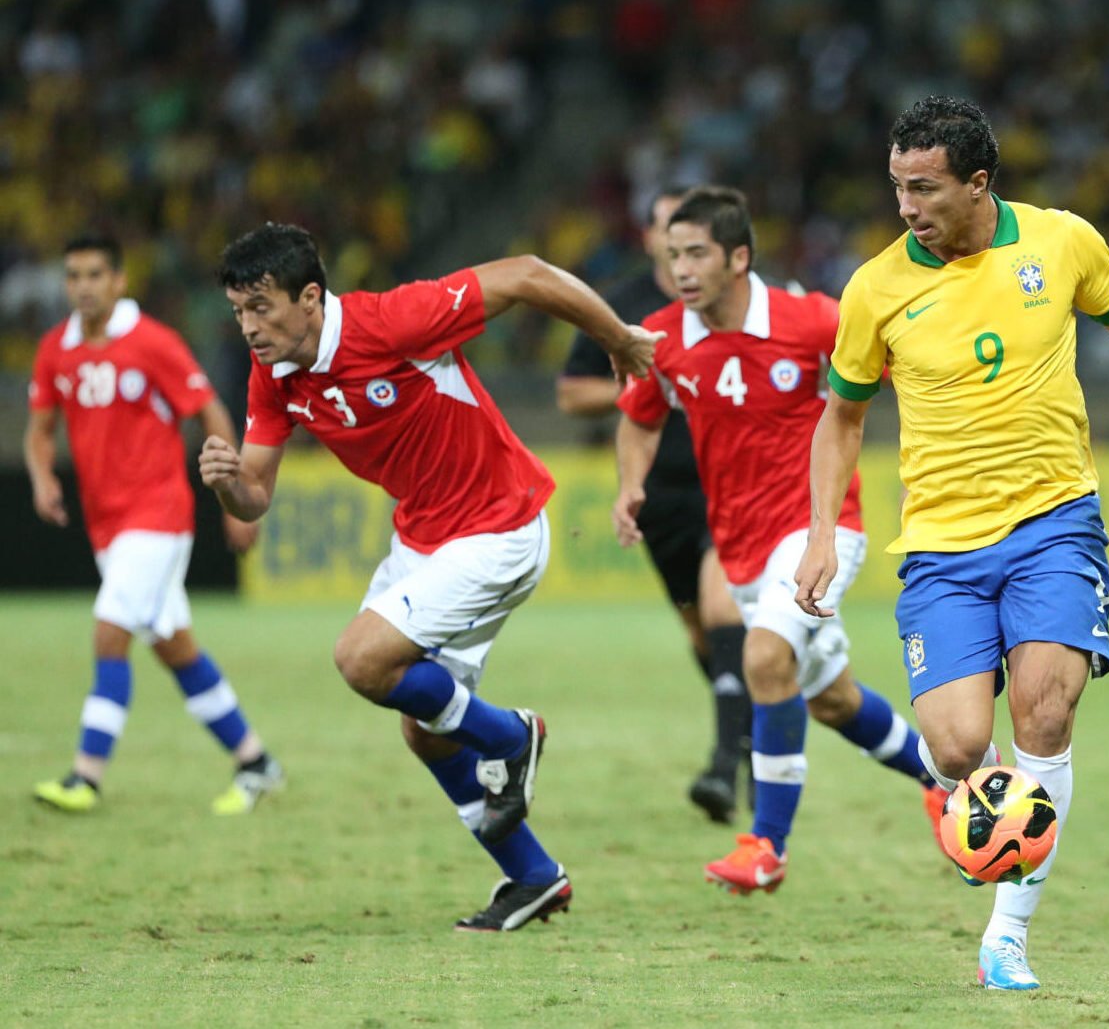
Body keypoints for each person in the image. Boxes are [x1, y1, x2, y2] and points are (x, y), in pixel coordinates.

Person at [794, 97, 1109, 990]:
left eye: (924, 187)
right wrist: (822, 533)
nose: (905, 205)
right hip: (940, 546)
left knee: (1044, 715)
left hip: (1055, 521)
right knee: (954, 747)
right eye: (897, 186)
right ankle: (976, 812)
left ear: (978, 183)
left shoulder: (1060, 243)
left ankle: (1007, 934)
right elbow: (842, 418)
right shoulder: (875, 289)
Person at [198, 223, 660, 930]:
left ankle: (511, 736)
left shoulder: (392, 321)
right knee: (426, 728)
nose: (248, 326)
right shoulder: (275, 375)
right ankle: (534, 875)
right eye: (238, 310)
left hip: (497, 524)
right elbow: (255, 496)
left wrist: (618, 339)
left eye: (261, 306)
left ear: (311, 297)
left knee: (360, 657)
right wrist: (229, 484)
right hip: (426, 536)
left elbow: (529, 272)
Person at [613, 186, 942, 896]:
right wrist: (629, 483)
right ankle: (944, 776)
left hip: (821, 530)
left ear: (739, 257)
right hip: (738, 547)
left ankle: (767, 844)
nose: (683, 269)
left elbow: (898, 374)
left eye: (697, 252)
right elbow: (640, 416)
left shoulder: (811, 320)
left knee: (764, 655)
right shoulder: (664, 338)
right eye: (673, 256)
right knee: (831, 699)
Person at [27, 234, 281, 816]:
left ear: (118, 281)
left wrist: (234, 494)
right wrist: (43, 478)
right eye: (73, 275)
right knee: (176, 649)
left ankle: (85, 776)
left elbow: (209, 411)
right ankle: (256, 762)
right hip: (107, 528)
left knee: (109, 630)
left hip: (158, 516)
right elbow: (40, 429)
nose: (83, 286)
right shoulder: (55, 350)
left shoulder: (153, 344)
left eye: (95, 274)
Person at [558, 187, 751, 823]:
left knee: (723, 607)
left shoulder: (749, 305)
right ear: (650, 240)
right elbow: (570, 393)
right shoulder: (629, 309)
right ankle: (746, 720)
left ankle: (726, 760)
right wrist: (653, 381)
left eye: (698, 241)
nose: (686, 255)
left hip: (727, 486)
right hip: (661, 497)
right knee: (702, 630)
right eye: (673, 236)